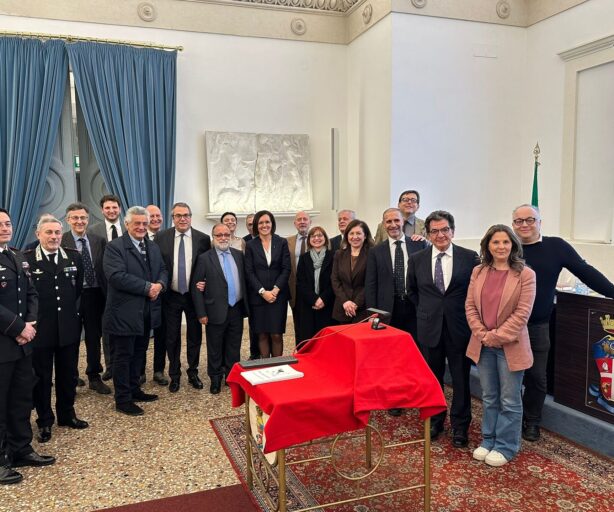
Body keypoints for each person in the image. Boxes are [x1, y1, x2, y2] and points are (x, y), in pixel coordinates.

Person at [511, 204, 614, 442]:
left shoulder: (556, 246)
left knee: (537, 377)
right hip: (508, 326)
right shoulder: (506, 246)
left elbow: (585, 272)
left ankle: (532, 421)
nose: (524, 225)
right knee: (510, 377)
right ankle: (512, 418)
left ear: (540, 222)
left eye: (530, 220)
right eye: (519, 221)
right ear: (513, 224)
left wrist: (612, 292)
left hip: (537, 326)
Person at [407, 210, 480, 446]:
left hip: (460, 328)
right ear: (427, 234)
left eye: (445, 229)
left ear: (453, 231)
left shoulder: (470, 258)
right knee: (432, 379)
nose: (440, 235)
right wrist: (428, 312)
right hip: (429, 328)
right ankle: (435, 421)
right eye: (435, 231)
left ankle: (460, 427)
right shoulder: (417, 259)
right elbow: (412, 292)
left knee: (460, 379)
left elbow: (476, 293)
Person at [465, 225, 536, 467]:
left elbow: (522, 314)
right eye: (495, 242)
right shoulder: (478, 271)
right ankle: (488, 440)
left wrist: (495, 336)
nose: (501, 247)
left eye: (506, 242)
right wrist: (482, 333)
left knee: (510, 399)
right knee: (489, 396)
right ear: (487, 246)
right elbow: (470, 306)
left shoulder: (525, 275)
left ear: (513, 245)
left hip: (510, 346)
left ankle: (506, 446)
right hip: (483, 344)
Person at [0, 208, 55, 486]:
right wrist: (19, 327)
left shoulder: (17, 255)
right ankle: (0, 461)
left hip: (22, 345)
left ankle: (21, 449)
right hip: (3, 344)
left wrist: (30, 324)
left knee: (22, 398)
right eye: (0, 224)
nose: (4, 228)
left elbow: (31, 293)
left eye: (7, 223)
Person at [26, 216, 89, 444]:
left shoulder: (73, 257)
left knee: (68, 375)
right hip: (41, 331)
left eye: (57, 233)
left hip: (68, 328)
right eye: (49, 233)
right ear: (38, 235)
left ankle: (66, 414)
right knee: (42, 378)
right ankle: (44, 421)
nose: (54, 237)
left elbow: (77, 291)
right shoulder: (27, 260)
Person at [103, 206, 168, 416]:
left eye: (144, 223)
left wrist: (160, 284)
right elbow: (116, 276)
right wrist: (148, 288)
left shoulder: (152, 246)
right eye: (137, 223)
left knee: (139, 352)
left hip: (147, 312)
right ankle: (123, 399)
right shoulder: (114, 247)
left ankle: (134, 389)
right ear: (127, 224)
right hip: (124, 313)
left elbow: (163, 270)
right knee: (123, 356)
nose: (141, 227)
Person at [155, 202, 211, 393]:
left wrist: (206, 282)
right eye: (178, 215)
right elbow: (157, 265)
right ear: (173, 218)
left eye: (186, 215)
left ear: (191, 217)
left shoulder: (203, 239)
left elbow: (208, 266)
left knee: (195, 335)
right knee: (171, 337)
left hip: (194, 296)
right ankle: (174, 375)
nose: (182, 219)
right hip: (170, 295)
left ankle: (193, 372)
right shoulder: (161, 237)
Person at [191, 223, 248, 394]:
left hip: (236, 309)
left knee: (233, 345)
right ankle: (215, 378)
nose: (223, 238)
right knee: (214, 347)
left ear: (231, 236)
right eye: (219, 235)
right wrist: (201, 313)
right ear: (213, 237)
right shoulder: (204, 258)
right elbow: (196, 287)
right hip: (214, 310)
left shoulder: (239, 255)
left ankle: (231, 378)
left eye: (226, 234)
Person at [62, 203, 111, 395]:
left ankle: (94, 376)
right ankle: (71, 376)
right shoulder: (62, 239)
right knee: (72, 338)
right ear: (68, 220)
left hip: (95, 294)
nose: (79, 221)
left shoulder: (98, 240)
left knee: (93, 337)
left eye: (82, 218)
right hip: (71, 296)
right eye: (75, 218)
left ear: (88, 219)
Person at [366, 208, 428, 336]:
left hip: (415, 306)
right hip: (388, 308)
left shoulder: (419, 245)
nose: (393, 225)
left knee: (416, 345)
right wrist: (373, 313)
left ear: (403, 221)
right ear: (383, 225)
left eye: (396, 220)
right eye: (388, 221)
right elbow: (371, 284)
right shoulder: (375, 252)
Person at [245, 210, 291, 357]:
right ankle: (266, 368)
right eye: (261, 223)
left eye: (267, 222)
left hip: (278, 297)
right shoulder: (251, 245)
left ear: (272, 224)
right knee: (262, 335)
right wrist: (262, 292)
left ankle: (278, 367)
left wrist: (275, 290)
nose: (264, 225)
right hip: (259, 298)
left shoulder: (282, 242)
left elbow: (286, 268)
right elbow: (249, 272)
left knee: (276, 335)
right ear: (256, 226)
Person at [89, 194, 123, 382]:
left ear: (119, 208)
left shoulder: (128, 227)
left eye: (114, 207)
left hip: (125, 287)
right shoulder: (93, 230)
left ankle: (126, 364)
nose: (111, 211)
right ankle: (110, 366)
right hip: (102, 287)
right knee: (107, 327)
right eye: (108, 208)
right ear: (102, 210)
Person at [295, 226, 335, 343]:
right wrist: (314, 299)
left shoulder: (333, 256)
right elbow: (300, 282)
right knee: (309, 339)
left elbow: (335, 280)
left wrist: (322, 299)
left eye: (320, 235)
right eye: (313, 236)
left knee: (326, 340)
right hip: (308, 305)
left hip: (327, 304)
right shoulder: (304, 258)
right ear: (309, 240)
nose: (316, 238)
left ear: (325, 239)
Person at [331, 219, 373, 324]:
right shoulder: (339, 254)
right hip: (342, 307)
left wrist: (355, 304)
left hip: (363, 309)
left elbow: (370, 282)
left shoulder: (372, 255)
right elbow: (335, 280)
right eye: (351, 233)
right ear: (347, 236)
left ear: (365, 235)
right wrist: (345, 301)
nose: (355, 237)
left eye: (358, 233)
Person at [144, 204, 168, 386]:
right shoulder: (138, 238)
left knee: (162, 335)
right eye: (151, 216)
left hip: (163, 294)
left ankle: (159, 370)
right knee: (142, 336)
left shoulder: (167, 237)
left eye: (158, 216)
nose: (155, 219)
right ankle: (139, 371)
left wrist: (160, 286)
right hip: (143, 295)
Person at [287, 211, 311, 344]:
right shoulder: (287, 241)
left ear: (310, 222)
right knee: (298, 324)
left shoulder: (318, 238)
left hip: (313, 290)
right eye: (299, 219)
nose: (302, 221)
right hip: (294, 289)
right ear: (295, 223)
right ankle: (300, 350)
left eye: (305, 219)